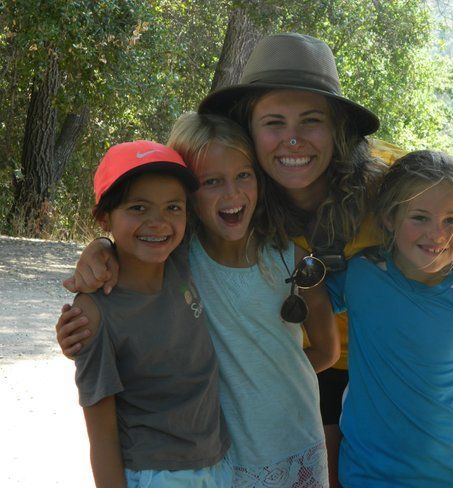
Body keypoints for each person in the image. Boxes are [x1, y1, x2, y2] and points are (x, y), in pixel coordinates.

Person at [56, 33, 453, 486]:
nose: (293, 140)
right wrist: (101, 252)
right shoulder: (238, 193)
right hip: (300, 373)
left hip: (373, 373)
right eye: (274, 123)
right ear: (249, 128)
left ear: (338, 129)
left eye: (311, 120)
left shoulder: (384, 175)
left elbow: (442, 218)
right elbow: (151, 209)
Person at [62, 113, 338, 486]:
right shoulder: (180, 257)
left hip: (297, 442)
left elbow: (327, 351)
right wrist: (98, 249)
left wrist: (269, 379)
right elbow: (131, 245)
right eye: (211, 181)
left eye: (244, 175)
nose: (232, 193)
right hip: (229, 457)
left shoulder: (289, 258)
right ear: (191, 195)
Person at [327, 150, 453, 487]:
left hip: (447, 478)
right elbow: (305, 303)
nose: (437, 234)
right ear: (388, 218)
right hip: (363, 476)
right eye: (420, 218)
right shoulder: (361, 275)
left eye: (451, 220)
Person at [71, 140, 231, 487]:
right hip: (155, 474)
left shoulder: (179, 261)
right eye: (138, 208)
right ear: (104, 217)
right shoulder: (94, 312)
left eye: (173, 207)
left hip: (218, 463)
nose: (158, 222)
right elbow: (101, 437)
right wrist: (99, 247)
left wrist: (99, 247)